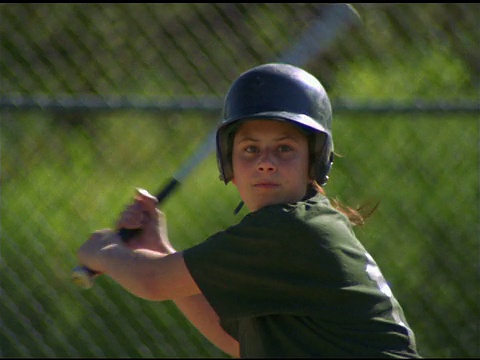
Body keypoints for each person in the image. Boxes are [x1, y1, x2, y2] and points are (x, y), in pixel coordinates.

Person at [77, 63, 421, 358]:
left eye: (284, 149)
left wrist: (101, 250)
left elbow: (152, 280)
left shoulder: (290, 230)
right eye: (250, 149)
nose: (265, 164)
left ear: (313, 161)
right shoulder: (296, 228)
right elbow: (240, 342)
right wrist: (158, 250)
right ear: (230, 162)